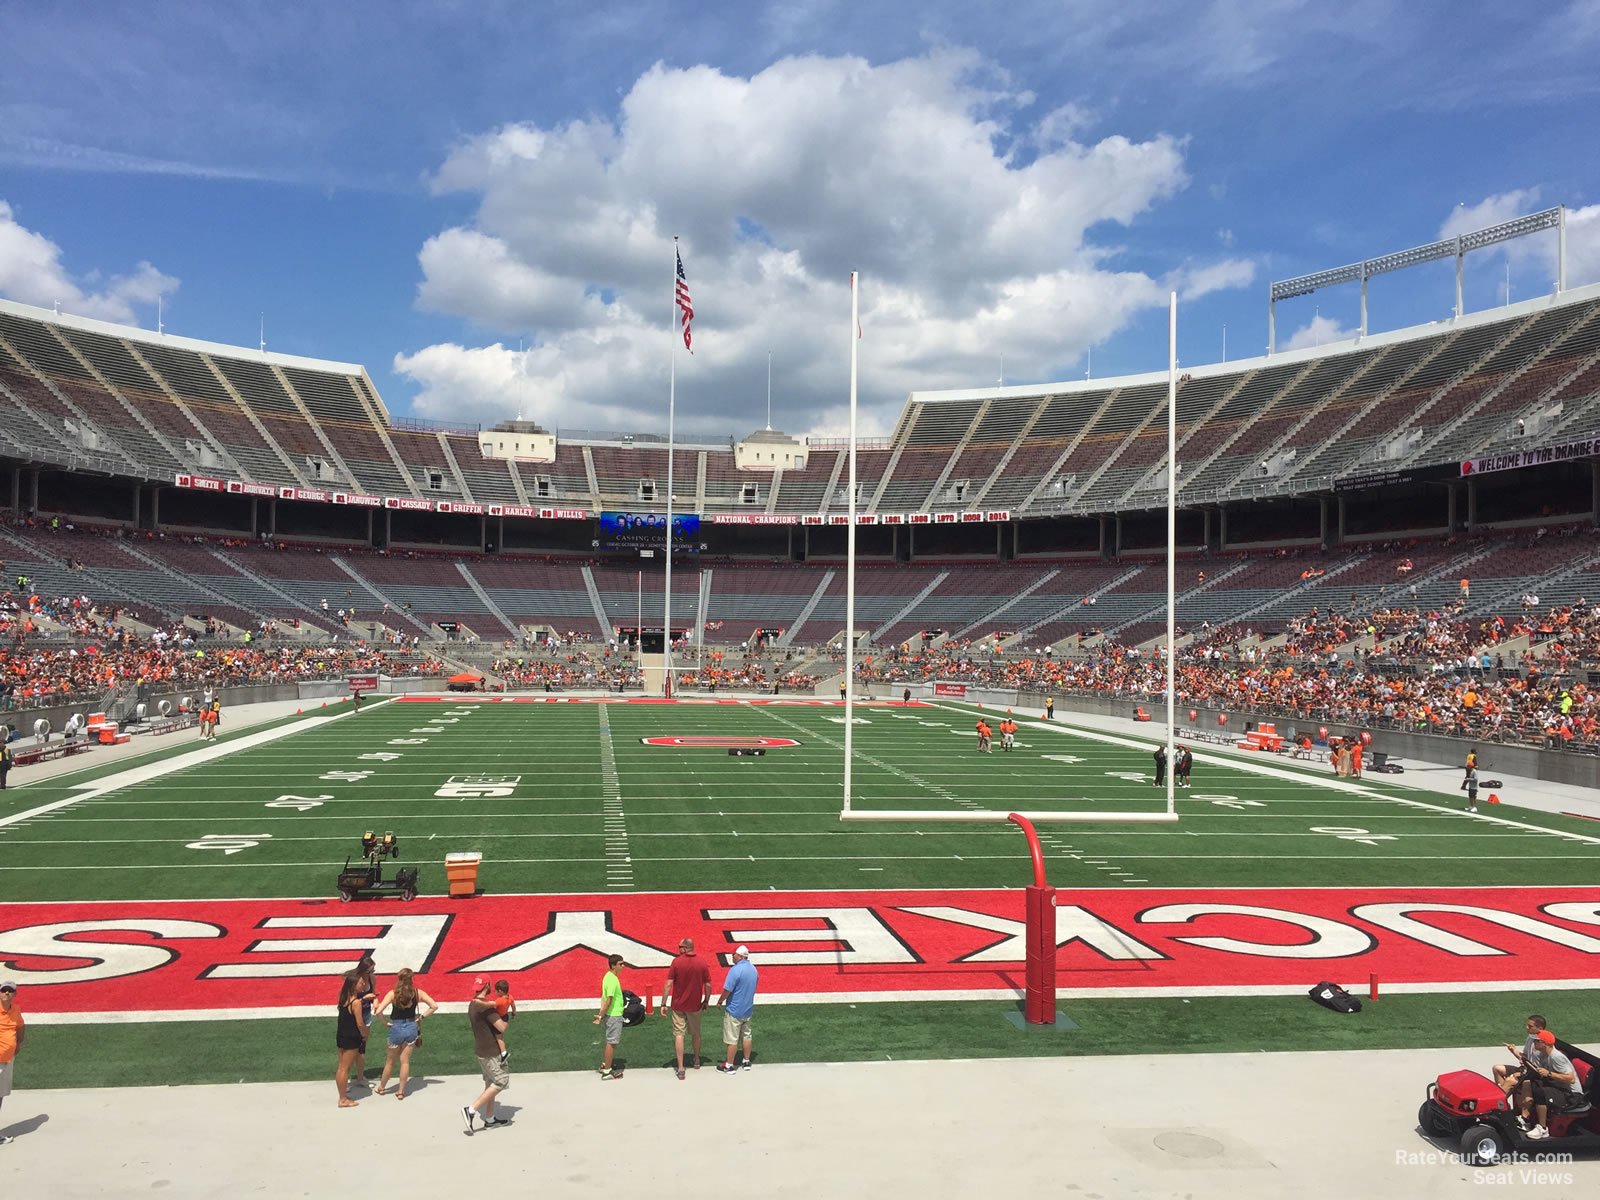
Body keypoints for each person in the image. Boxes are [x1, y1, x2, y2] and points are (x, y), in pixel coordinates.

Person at [375, 967, 437, 1100]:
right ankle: (401, 1091)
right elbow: (434, 1006)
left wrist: (385, 1022)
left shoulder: (393, 994)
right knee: (405, 1062)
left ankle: (382, 1087)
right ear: (411, 979)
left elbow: (378, 1011)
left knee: (390, 1062)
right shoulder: (417, 992)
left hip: (396, 1027)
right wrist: (421, 1017)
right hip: (411, 1027)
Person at [463, 976, 511, 1133]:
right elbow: (502, 1027)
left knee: (490, 1083)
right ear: (488, 986)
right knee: (501, 1081)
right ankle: (471, 1110)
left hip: (481, 1050)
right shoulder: (486, 1008)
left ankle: (490, 1119)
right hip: (491, 1051)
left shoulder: (473, 1004)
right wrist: (506, 1013)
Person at [1523, 1029, 1585, 1139]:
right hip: (1558, 1087)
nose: (1534, 1043)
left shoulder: (1556, 1057)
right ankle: (1525, 1117)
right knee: (1532, 1083)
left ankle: (1542, 1128)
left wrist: (1549, 1074)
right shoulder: (1543, 1054)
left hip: (1572, 1095)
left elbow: (1571, 1079)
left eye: (1537, 1041)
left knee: (1540, 1092)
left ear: (1544, 1043)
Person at [664, 937, 712, 1080]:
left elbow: (668, 984)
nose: (678, 949)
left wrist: (663, 1003)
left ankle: (680, 1068)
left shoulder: (677, 962)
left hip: (678, 1005)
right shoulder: (702, 962)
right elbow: (708, 985)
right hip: (695, 1005)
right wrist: (706, 1000)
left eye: (679, 947)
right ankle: (696, 1060)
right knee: (696, 1033)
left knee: (679, 1034)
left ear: (685, 948)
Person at [715, 946, 758, 1074]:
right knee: (746, 1036)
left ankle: (729, 1065)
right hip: (748, 1009)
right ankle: (746, 1061)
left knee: (732, 1039)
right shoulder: (754, 970)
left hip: (735, 1009)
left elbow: (727, 989)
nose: (732, 956)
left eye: (734, 954)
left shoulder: (735, 970)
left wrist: (720, 1001)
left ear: (740, 956)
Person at [334, 971, 368, 1109]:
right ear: (354, 985)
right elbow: (360, 1023)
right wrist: (365, 1033)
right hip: (351, 1037)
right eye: (361, 982)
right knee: (345, 1069)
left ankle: (342, 1096)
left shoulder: (344, 997)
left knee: (341, 1067)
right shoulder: (356, 1003)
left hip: (341, 1035)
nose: (363, 984)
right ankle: (342, 1099)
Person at [1494, 1014, 1546, 1094]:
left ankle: (1499, 1099)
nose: (1527, 1027)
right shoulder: (1530, 1038)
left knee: (1509, 1081)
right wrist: (1513, 1050)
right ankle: (1503, 1097)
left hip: (1533, 1075)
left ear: (1540, 1028)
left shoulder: (1542, 1045)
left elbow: (1537, 1069)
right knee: (1497, 1068)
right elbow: (1525, 1057)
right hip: (1525, 1069)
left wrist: (1522, 1073)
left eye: (1530, 1026)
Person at [594, 953, 626, 1080]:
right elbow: (609, 1000)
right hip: (614, 1015)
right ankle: (607, 1071)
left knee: (610, 1041)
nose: (623, 966)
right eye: (620, 964)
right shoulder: (613, 980)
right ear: (613, 965)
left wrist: (602, 1014)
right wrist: (601, 1015)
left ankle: (605, 1065)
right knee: (611, 1042)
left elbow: (604, 997)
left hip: (610, 1015)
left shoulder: (607, 977)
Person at [350, 954, 377, 1087]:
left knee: (361, 1048)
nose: (371, 973)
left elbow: (374, 995)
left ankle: (360, 1077)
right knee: (350, 1049)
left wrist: (376, 1002)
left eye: (373, 970)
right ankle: (346, 1081)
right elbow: (348, 1002)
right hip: (353, 1016)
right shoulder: (354, 980)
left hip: (366, 1014)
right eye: (369, 971)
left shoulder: (372, 979)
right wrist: (364, 999)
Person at [0, 981, 22, 1143]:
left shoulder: (15, 1010)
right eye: (4, 990)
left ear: (14, 994)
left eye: (10, 991)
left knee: (0, 1096)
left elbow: (20, 1025)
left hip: (7, 1061)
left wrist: (19, 1043)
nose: (7, 993)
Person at [493, 979, 515, 1062]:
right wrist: (513, 1014)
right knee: (500, 1035)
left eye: (497, 991)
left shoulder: (499, 1000)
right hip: (505, 1017)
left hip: (499, 1018)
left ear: (500, 991)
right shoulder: (510, 997)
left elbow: (493, 1008)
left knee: (499, 1038)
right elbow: (513, 1006)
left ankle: (503, 1053)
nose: (496, 993)